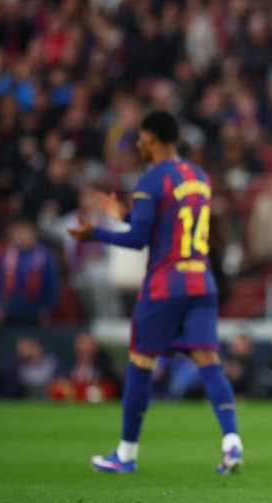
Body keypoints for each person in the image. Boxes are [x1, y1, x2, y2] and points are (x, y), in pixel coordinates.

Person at [68, 110, 243, 474]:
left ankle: (126, 454)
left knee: (140, 364)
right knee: (209, 363)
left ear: (154, 140)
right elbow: (168, 226)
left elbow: (138, 240)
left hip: (166, 284)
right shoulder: (199, 176)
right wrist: (125, 215)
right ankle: (232, 442)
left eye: (141, 138)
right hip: (201, 280)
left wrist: (94, 233)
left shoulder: (150, 180)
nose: (138, 144)